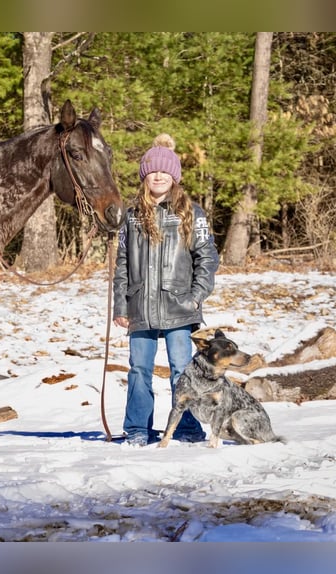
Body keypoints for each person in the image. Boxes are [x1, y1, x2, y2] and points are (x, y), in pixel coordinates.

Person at [112, 133, 219, 446]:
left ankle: (187, 428)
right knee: (139, 371)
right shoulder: (131, 217)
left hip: (179, 308)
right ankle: (136, 430)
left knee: (181, 372)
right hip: (139, 307)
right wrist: (121, 306)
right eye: (152, 171)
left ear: (174, 176)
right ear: (145, 177)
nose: (158, 176)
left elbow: (207, 258)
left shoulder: (191, 213)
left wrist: (196, 296)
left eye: (165, 171)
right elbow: (121, 265)